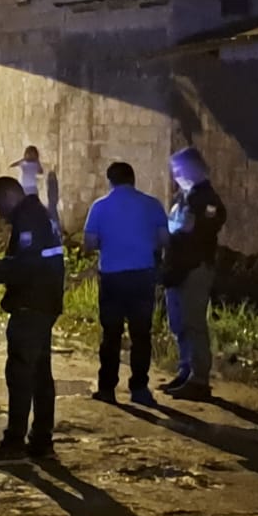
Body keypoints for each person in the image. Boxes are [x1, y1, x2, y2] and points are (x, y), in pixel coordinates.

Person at [0, 176, 67, 467]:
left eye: (0, 207)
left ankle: (14, 443)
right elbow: (35, 262)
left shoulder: (28, 218)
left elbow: (29, 264)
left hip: (32, 304)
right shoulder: (40, 214)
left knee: (20, 375)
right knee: (40, 375)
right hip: (44, 302)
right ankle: (41, 442)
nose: (2, 216)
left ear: (9, 196)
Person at [84, 162, 168, 407]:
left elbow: (89, 242)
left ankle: (107, 388)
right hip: (142, 276)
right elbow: (164, 239)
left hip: (112, 277)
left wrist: (110, 243)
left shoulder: (99, 207)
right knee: (141, 334)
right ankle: (139, 388)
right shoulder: (152, 204)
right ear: (133, 179)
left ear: (109, 181)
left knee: (111, 334)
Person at [162, 146, 227, 401]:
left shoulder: (206, 198)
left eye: (178, 169)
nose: (175, 174)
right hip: (176, 268)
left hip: (195, 267)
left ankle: (199, 379)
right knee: (178, 324)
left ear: (194, 167)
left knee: (193, 322)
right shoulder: (183, 196)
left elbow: (196, 230)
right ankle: (185, 370)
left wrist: (174, 236)